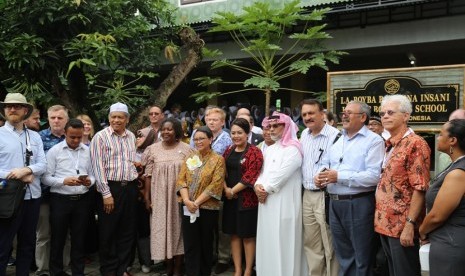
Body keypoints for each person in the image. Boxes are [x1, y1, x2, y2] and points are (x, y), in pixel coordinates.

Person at [316, 101, 384, 276]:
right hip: (334, 203)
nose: (343, 115)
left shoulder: (374, 140)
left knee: (362, 258)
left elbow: (373, 176)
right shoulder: (338, 139)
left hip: (358, 203)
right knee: (344, 256)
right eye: (343, 112)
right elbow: (325, 164)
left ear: (363, 117)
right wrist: (320, 176)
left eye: (349, 113)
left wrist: (339, 177)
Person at [374, 95, 430, 276]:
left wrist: (409, 225)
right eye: (382, 113)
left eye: (391, 112)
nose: (385, 116)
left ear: (406, 116)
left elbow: (420, 188)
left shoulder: (415, 144)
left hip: (402, 227)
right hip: (384, 223)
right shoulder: (390, 144)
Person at [0, 93, 47, 275]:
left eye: (17, 106)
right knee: (3, 246)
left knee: (27, 245)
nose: (12, 109)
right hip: (8, 199)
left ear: (25, 110)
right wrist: (16, 175)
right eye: (8, 106)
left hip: (32, 197)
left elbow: (43, 165)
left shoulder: (34, 137)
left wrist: (27, 170)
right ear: (4, 110)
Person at [255, 112, 306, 276]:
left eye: (276, 126)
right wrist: (258, 187)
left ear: (287, 127)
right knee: (268, 241)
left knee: (285, 243)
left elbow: (281, 175)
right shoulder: (269, 150)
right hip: (266, 203)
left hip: (285, 204)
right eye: (270, 126)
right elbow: (261, 173)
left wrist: (265, 189)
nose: (271, 129)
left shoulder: (293, 149)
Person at [90, 102, 139, 276]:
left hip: (130, 188)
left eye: (120, 117)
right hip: (111, 188)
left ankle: (122, 269)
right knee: (108, 231)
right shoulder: (100, 137)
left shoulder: (131, 136)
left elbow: (131, 161)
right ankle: (109, 270)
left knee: (127, 231)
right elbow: (97, 167)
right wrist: (106, 194)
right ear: (109, 118)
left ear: (127, 119)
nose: (116, 120)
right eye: (113, 117)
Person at [42, 118, 95, 276]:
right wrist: (62, 181)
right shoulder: (55, 151)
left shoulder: (87, 150)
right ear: (65, 133)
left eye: (79, 137)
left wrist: (88, 182)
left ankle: (78, 272)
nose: (76, 140)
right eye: (72, 137)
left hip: (82, 200)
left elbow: (93, 176)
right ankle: (56, 272)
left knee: (79, 240)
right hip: (60, 200)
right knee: (58, 239)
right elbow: (45, 178)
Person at [143, 118, 193, 276]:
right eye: (163, 129)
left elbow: (195, 175)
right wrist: (147, 198)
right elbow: (148, 176)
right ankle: (168, 266)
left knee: (178, 230)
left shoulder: (187, 150)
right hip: (159, 198)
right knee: (161, 230)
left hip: (180, 198)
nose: (166, 132)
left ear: (176, 131)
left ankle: (178, 267)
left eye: (170, 129)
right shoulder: (152, 150)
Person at [176, 126, 226, 276]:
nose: (198, 142)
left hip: (207, 208)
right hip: (187, 206)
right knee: (190, 243)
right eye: (196, 139)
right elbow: (181, 181)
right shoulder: (190, 157)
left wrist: (196, 203)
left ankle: (204, 272)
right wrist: (187, 200)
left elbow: (215, 185)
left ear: (210, 139)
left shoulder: (218, 159)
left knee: (205, 243)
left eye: (202, 138)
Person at [419, 119, 465, 276]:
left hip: (451, 245)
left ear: (453, 140)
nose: (438, 137)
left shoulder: (458, 173)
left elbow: (437, 216)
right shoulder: (456, 165)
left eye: (441, 134)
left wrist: (422, 231)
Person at [189, 107, 232, 274]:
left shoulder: (227, 139)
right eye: (209, 119)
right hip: (197, 191)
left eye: (215, 119)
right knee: (205, 227)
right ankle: (208, 256)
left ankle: (223, 257)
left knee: (221, 226)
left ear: (222, 121)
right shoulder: (197, 137)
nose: (211, 122)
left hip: (220, 188)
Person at [300, 99, 340, 276]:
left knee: (329, 242)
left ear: (322, 114)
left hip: (325, 195)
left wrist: (323, 177)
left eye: (311, 113)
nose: (308, 117)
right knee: (311, 243)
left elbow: (338, 166)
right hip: (307, 195)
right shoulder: (304, 136)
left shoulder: (335, 136)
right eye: (304, 114)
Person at [222, 118, 263, 276]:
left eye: (240, 133)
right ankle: (237, 270)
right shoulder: (228, 150)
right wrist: (226, 189)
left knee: (247, 236)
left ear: (247, 134)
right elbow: (222, 172)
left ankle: (247, 270)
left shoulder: (255, 152)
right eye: (233, 133)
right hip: (230, 199)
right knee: (234, 234)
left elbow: (251, 176)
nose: (236, 136)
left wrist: (233, 191)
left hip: (247, 200)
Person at [37, 105, 70, 276]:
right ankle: (43, 269)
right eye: (52, 118)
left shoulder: (71, 137)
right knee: (43, 234)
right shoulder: (39, 138)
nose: (56, 121)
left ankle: (62, 268)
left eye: (60, 118)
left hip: (65, 194)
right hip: (43, 194)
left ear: (66, 119)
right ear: (48, 119)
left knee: (64, 233)